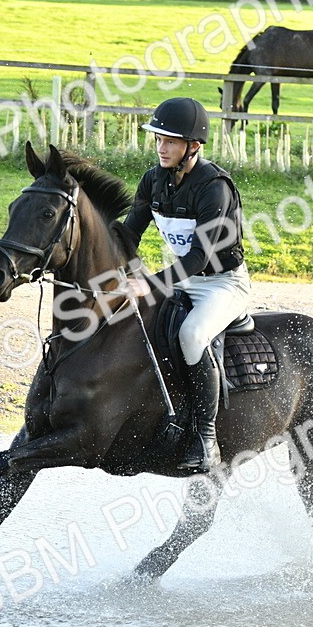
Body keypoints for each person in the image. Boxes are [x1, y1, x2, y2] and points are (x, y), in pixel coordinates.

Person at [121, 97, 251, 471]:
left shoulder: (215, 188)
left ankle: (205, 437)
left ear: (193, 146)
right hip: (183, 279)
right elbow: (130, 232)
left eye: (171, 142)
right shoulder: (153, 179)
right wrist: (126, 270)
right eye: (159, 140)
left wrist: (152, 284)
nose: (162, 148)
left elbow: (199, 257)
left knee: (192, 334)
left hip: (223, 283)